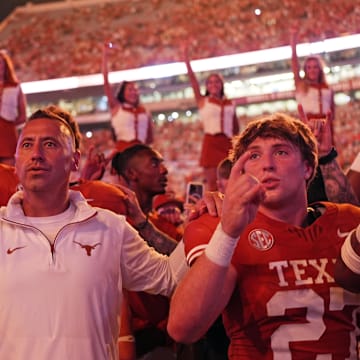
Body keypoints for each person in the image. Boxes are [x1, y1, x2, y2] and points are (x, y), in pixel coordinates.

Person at [167, 112, 360, 359]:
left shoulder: (348, 221)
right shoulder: (217, 225)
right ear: (242, 171)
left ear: (307, 167)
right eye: (255, 155)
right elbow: (184, 329)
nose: (267, 164)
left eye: (281, 152)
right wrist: (227, 232)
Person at [0, 108, 178, 360]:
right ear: (15, 161)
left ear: (74, 160)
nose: (36, 155)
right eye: (27, 144)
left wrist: (217, 229)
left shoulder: (109, 226)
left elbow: (172, 276)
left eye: (49, 144)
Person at [111, 145, 181, 359]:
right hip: (123, 338)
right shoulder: (111, 222)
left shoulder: (164, 226)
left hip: (164, 337)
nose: (164, 170)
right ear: (132, 173)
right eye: (154, 163)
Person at [182, 42, 239, 191]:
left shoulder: (230, 103)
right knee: (213, 183)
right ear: (206, 86)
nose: (214, 84)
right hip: (211, 143)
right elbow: (193, 82)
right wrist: (186, 60)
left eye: (217, 81)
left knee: (232, 180)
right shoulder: (203, 101)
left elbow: (235, 127)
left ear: (222, 84)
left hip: (227, 142)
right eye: (210, 82)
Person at [102, 43, 153, 152]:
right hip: (123, 153)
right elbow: (106, 83)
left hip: (142, 153)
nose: (133, 92)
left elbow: (149, 138)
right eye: (130, 89)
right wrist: (105, 56)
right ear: (122, 92)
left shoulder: (145, 111)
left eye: (135, 89)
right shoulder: (117, 107)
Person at [290, 27, 335, 145]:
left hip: (325, 126)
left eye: (315, 67)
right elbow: (294, 63)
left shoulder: (327, 88)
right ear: (305, 70)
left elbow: (332, 111)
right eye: (309, 67)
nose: (312, 70)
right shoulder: (301, 85)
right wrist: (294, 39)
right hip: (308, 125)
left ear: (320, 69)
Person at [0, 50, 27, 165]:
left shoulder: (15, 86)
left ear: (5, 65)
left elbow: (23, 116)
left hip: (8, 137)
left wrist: (8, 125)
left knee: (9, 176)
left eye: (0, 63)